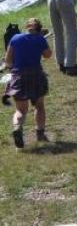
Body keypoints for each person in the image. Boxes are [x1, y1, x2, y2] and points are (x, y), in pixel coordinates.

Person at [4, 18, 52, 149]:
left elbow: (8, 61)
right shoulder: (40, 39)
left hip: (18, 77)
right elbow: (48, 55)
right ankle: (40, 134)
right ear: (39, 29)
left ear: (27, 27)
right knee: (39, 106)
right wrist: (41, 42)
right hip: (36, 75)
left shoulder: (15, 38)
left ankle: (17, 127)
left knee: (20, 110)